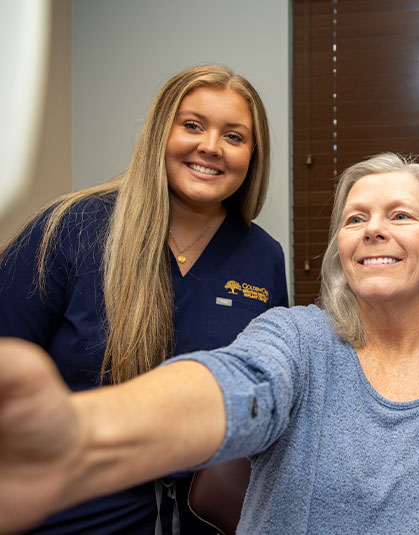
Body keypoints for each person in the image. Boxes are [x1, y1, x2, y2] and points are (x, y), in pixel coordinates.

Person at [0, 153, 419, 535]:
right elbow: (233, 388)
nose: (372, 229)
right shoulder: (297, 337)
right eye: (355, 219)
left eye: (400, 215)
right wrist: (81, 434)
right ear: (341, 251)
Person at [0, 64, 289, 534]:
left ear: (253, 156)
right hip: (74, 512)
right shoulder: (70, 228)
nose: (211, 147)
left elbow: (264, 392)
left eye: (234, 136)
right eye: (192, 125)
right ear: (161, 132)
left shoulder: (262, 257)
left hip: (206, 518)